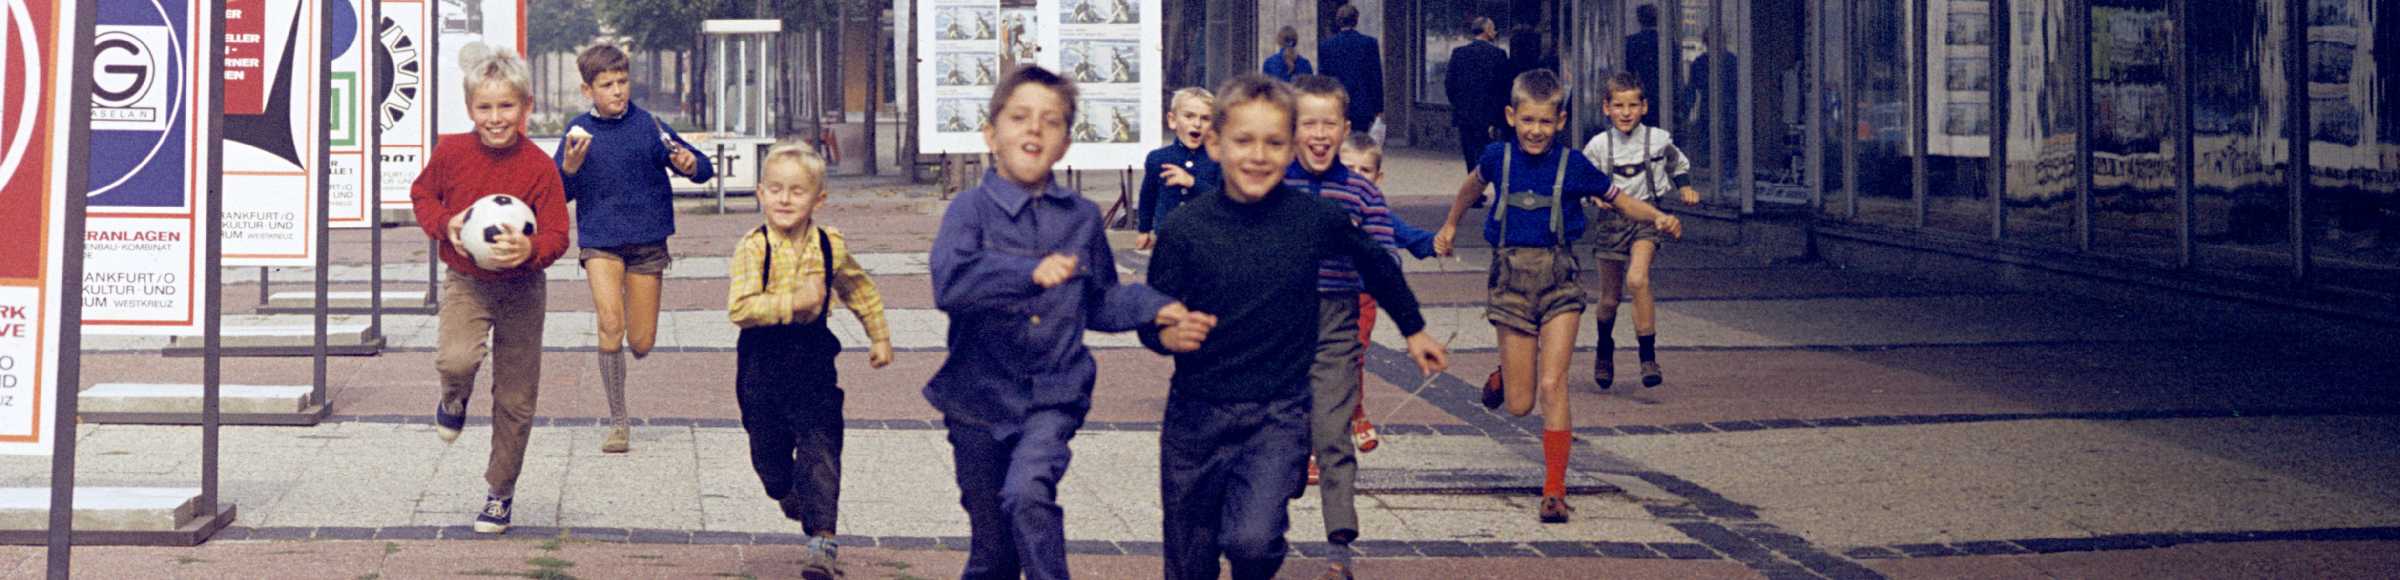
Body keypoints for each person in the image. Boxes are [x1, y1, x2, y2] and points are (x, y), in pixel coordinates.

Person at [1143, 73, 1447, 580]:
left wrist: (1414, 329)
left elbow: (1375, 263)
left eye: (1273, 142)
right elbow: (1154, 311)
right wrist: (1162, 334)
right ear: (1216, 144)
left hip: (1276, 414)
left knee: (1253, 543)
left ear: (1291, 150)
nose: (1258, 155)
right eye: (1244, 140)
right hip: (1196, 418)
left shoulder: (1312, 218)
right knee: (1191, 560)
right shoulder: (1185, 229)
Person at [927, 66, 1211, 580]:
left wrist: (1156, 308)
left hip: (1052, 394)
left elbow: (1100, 301)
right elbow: (951, 285)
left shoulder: (1081, 217)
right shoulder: (968, 211)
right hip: (976, 400)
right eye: (1019, 118)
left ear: (1064, 143)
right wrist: (1027, 273)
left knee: (1028, 494)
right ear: (992, 134)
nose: (1034, 129)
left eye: (1050, 121)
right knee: (992, 553)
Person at [1432, 69, 1682, 524]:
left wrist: (1657, 217)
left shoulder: (1574, 166)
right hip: (1509, 281)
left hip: (1560, 281)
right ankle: (1506, 376)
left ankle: (1554, 490)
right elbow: (1471, 188)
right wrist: (1449, 224)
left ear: (1561, 121)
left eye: (1546, 122)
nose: (1536, 131)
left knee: (1554, 384)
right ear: (1511, 116)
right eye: (1527, 120)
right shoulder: (1497, 158)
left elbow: (1621, 200)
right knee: (1521, 403)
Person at [412, 42, 571, 535]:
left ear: (526, 108)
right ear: (470, 109)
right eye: (485, 107)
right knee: (456, 359)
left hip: (523, 289)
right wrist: (446, 224)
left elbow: (558, 232)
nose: (496, 118)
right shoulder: (451, 152)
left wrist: (532, 250)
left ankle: (500, 493)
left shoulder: (539, 166)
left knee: (516, 398)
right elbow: (422, 195)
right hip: (468, 281)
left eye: (507, 106)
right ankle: (454, 398)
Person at [726, 140, 892, 580]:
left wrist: (878, 336)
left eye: (797, 191)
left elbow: (858, 288)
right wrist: (793, 302)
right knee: (770, 461)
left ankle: (823, 540)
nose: (784, 199)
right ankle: (788, 492)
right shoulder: (752, 247)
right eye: (776, 189)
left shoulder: (828, 243)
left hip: (813, 360)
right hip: (761, 363)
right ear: (760, 193)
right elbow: (740, 308)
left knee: (821, 444)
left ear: (818, 198)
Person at [1282, 75, 1417, 580]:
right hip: (1281, 321)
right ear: (1292, 127)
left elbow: (1384, 260)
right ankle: (1291, 465)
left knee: (1335, 430)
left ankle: (1340, 545)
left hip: (1338, 316)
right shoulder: (1275, 181)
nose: (1319, 134)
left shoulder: (1360, 191)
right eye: (1308, 123)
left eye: (1329, 124)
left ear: (1345, 129)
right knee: (1286, 426)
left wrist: (1411, 325)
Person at [554, 43, 715, 454]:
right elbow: (557, 194)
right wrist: (569, 170)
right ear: (588, 90)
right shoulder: (577, 132)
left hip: (647, 243)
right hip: (601, 242)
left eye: (622, 82)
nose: (617, 91)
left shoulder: (650, 125)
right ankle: (619, 421)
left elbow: (701, 167)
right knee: (611, 323)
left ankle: (632, 349)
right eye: (607, 84)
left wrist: (690, 164)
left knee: (641, 341)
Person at [1583, 72, 1702, 390]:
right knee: (1609, 298)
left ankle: (1647, 357)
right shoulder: (1598, 145)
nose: (1626, 112)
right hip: (1611, 223)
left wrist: (1685, 187)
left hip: (1648, 218)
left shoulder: (1659, 140)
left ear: (1644, 107)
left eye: (1633, 105)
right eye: (1618, 105)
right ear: (1606, 108)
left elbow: (1678, 164)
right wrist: (1594, 196)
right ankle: (1604, 350)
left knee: (1638, 279)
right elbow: (1582, 179)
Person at [1135, 87, 1219, 252]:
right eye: (1189, 116)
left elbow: (1224, 198)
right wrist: (1144, 230)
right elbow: (1147, 196)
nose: (1197, 124)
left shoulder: (1218, 159)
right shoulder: (1158, 158)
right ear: (1172, 120)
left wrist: (1192, 182)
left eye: (1205, 118)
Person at [1446, 17, 1510, 172]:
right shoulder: (1498, 54)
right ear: (1487, 30)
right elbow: (1504, 87)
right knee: (1488, 152)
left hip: (1465, 114)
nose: (1495, 32)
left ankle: (1473, 185)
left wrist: (1458, 105)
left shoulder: (1458, 53)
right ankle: (1484, 184)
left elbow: (1450, 83)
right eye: (1493, 28)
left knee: (1469, 152)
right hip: (1489, 115)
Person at [1316, 5, 1384, 135]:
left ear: (1338, 21)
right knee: (1359, 144)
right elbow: (1376, 77)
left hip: (1337, 103)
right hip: (1362, 104)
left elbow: (1323, 79)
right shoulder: (1369, 44)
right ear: (1356, 20)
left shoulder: (1326, 46)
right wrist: (1378, 108)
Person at [1623, 5, 1662, 126]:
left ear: (1639, 20)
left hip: (1638, 94)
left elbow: (1626, 72)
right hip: (1660, 96)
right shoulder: (1666, 42)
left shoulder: (1631, 42)